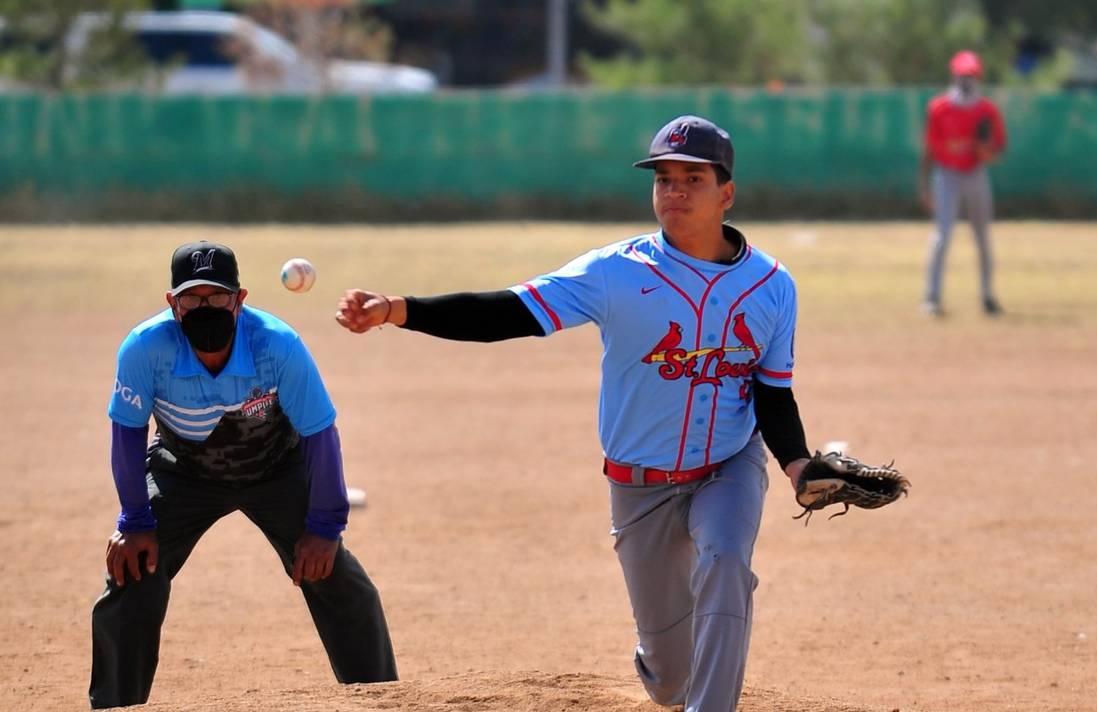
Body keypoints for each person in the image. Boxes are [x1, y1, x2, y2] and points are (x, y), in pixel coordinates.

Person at [335, 116, 815, 712]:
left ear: (727, 193)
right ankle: (668, 673)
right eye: (664, 179)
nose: (675, 192)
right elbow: (508, 312)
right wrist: (398, 310)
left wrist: (798, 466)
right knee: (669, 680)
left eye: (693, 178)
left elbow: (773, 393)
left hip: (727, 465)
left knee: (725, 562)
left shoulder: (771, 285)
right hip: (640, 486)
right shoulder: (615, 272)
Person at [91, 241, 398, 709]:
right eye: (193, 298)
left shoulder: (278, 345)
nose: (205, 307)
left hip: (277, 468)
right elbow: (126, 436)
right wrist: (134, 521)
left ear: (240, 299)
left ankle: (382, 699)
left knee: (337, 579)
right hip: (183, 470)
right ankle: (115, 705)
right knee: (133, 572)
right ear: (172, 302)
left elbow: (320, 435)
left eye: (217, 297)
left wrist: (324, 527)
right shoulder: (144, 349)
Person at [918, 49, 1008, 317]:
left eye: (971, 76)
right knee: (942, 236)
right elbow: (929, 150)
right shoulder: (939, 108)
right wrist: (924, 185)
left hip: (975, 174)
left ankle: (987, 295)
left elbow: (996, 152)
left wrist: (985, 150)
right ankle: (932, 297)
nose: (966, 81)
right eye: (962, 75)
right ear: (954, 76)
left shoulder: (986, 110)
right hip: (946, 174)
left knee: (982, 236)